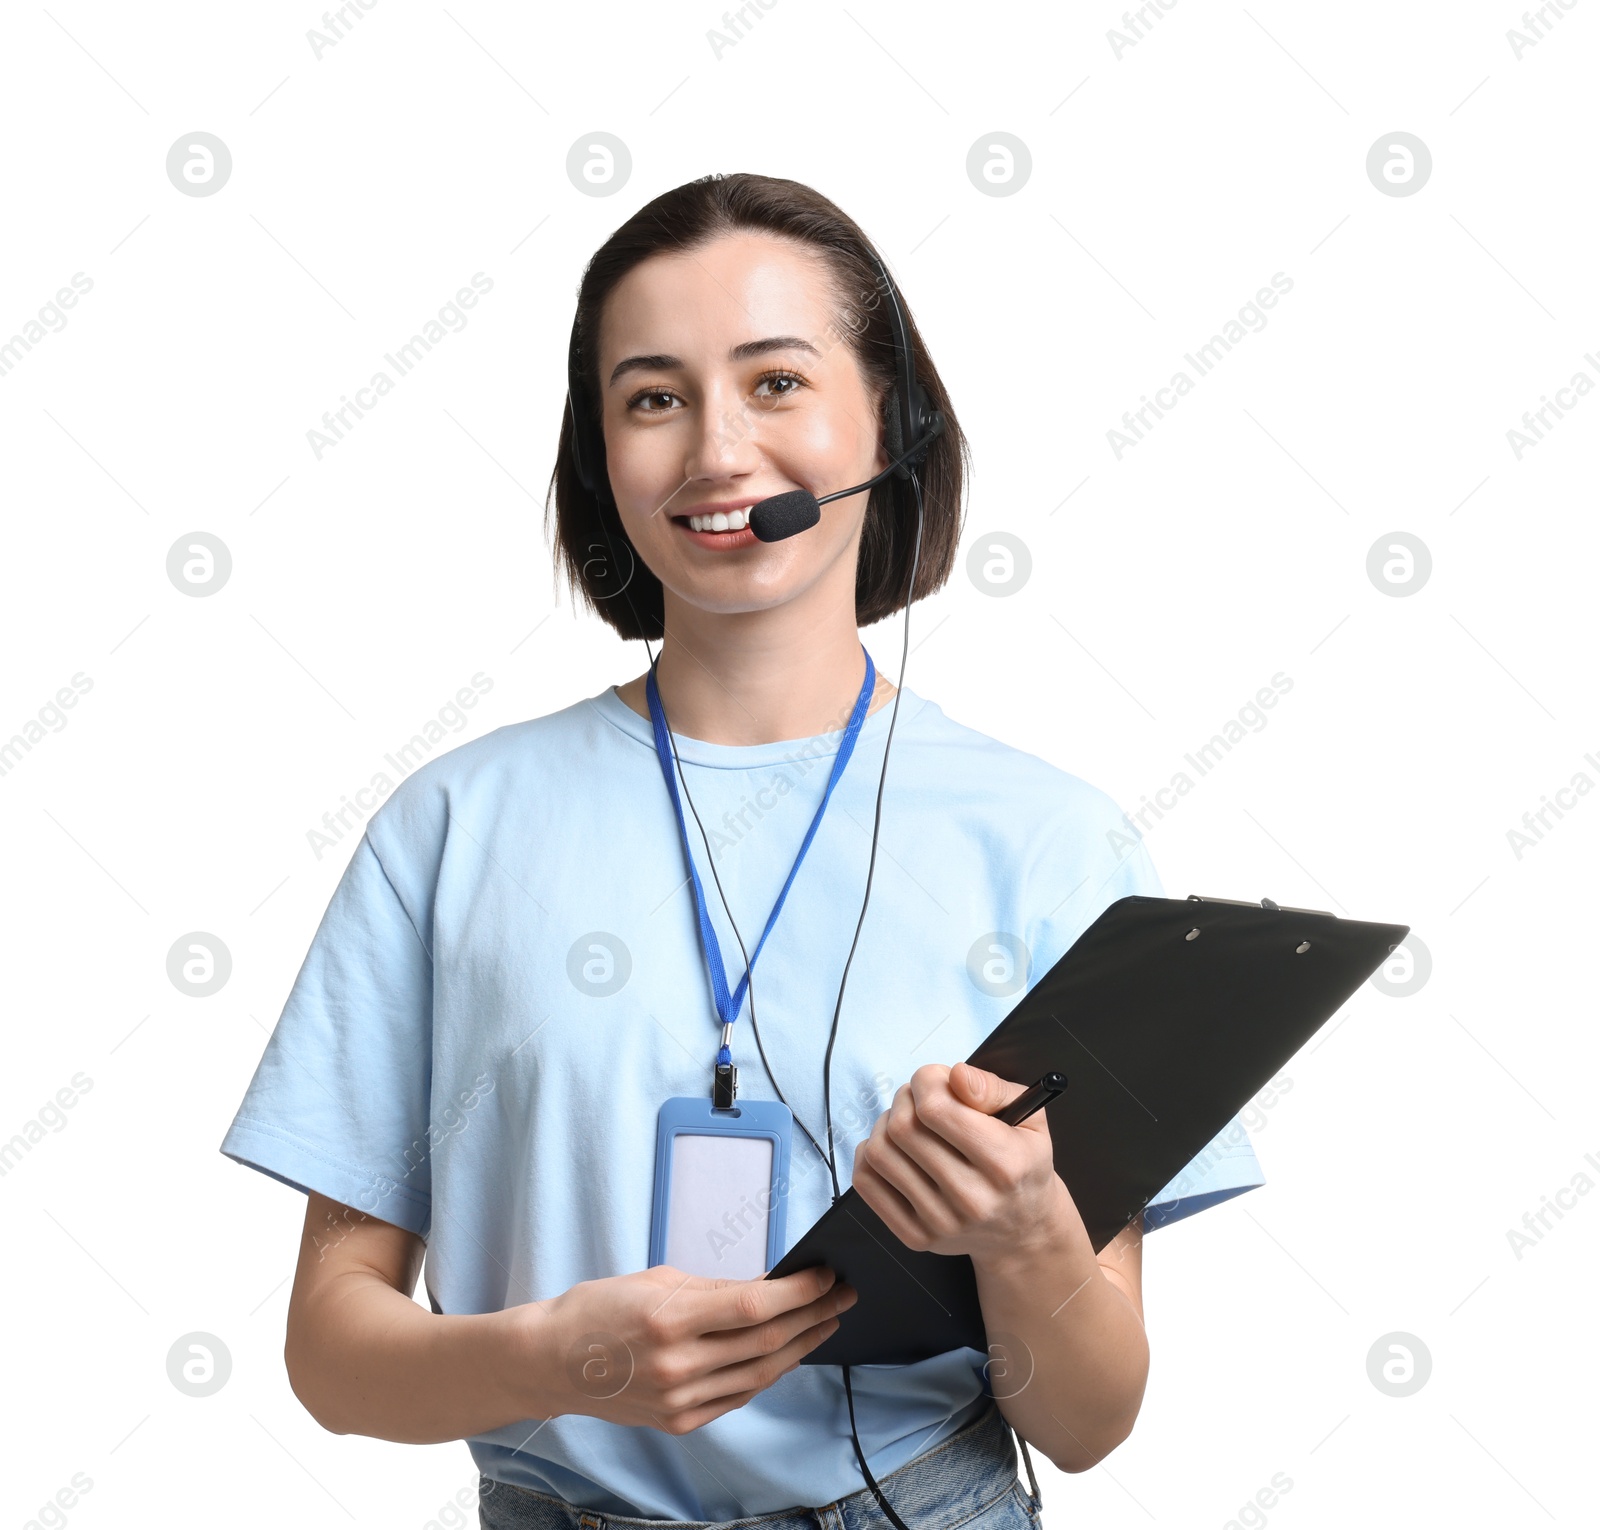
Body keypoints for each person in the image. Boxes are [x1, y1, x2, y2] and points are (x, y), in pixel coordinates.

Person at [219, 171, 1265, 1530]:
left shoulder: (1057, 842)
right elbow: (331, 1355)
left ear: (889, 421)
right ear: (601, 457)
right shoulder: (451, 826)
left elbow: (1087, 1422)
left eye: (776, 382)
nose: (717, 450)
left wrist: (1022, 1234)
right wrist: (559, 1356)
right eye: (653, 398)